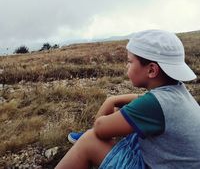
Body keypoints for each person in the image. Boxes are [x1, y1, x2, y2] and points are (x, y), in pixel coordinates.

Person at [55, 29, 200, 169]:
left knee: (89, 140)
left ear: (151, 70)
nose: (126, 66)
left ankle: (84, 145)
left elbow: (99, 129)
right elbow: (142, 101)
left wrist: (109, 102)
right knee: (127, 114)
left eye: (130, 62)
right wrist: (116, 99)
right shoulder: (176, 91)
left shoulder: (154, 104)